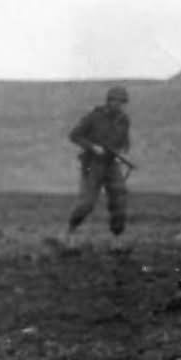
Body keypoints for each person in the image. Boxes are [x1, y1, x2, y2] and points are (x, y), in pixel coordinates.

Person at [64, 85, 133, 245]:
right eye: (117, 101)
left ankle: (117, 238)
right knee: (87, 203)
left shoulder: (124, 120)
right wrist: (92, 147)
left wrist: (121, 151)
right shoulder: (94, 117)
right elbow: (74, 135)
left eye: (122, 102)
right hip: (92, 163)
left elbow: (125, 142)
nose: (120, 105)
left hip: (111, 163)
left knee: (119, 198)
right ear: (109, 101)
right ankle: (70, 231)